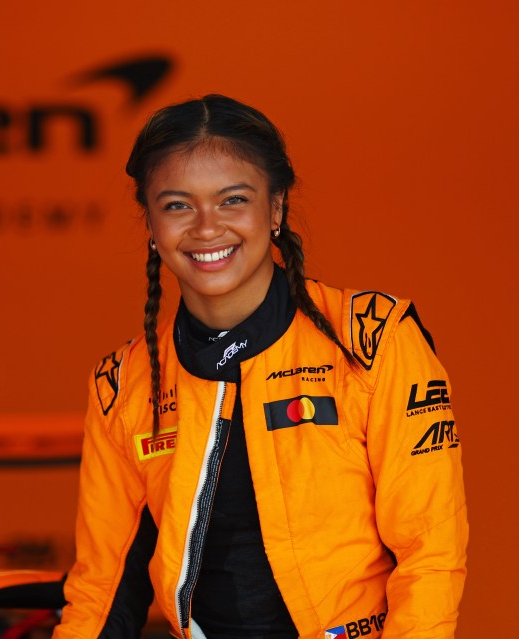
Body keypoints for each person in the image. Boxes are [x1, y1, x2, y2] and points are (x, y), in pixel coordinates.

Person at [53, 95, 467, 639]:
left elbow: (430, 553)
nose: (206, 228)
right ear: (150, 223)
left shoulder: (374, 340)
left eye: (233, 200)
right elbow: (101, 589)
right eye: (177, 205)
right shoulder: (124, 385)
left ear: (275, 210)